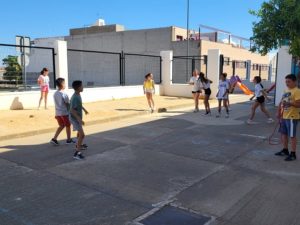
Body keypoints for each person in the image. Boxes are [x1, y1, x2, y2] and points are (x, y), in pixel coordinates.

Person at [275, 74, 300, 161]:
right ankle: (285, 150)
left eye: (289, 81)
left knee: (292, 135)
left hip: (292, 117)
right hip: (284, 116)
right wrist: (278, 112)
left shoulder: (297, 91)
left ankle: (293, 154)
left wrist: (290, 103)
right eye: (286, 81)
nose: (287, 83)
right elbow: (282, 102)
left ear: (294, 82)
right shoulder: (286, 90)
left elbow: (298, 104)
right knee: (284, 134)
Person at [50, 78, 75, 146]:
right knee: (68, 126)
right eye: (64, 83)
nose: (65, 84)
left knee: (61, 125)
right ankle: (69, 140)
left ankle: (54, 139)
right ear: (61, 84)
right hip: (64, 113)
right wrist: (72, 112)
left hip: (58, 113)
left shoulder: (55, 93)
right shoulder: (64, 94)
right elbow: (68, 105)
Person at [69, 80, 89, 160]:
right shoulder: (75, 97)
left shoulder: (78, 94)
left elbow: (79, 104)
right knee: (82, 134)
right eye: (82, 86)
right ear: (78, 88)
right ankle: (77, 153)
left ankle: (78, 145)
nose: (83, 87)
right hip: (75, 118)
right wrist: (79, 119)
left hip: (77, 118)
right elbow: (72, 110)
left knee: (79, 133)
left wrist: (84, 109)